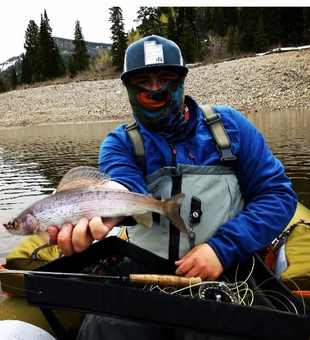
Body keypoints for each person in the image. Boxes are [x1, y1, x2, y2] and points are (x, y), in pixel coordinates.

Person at [47, 35, 297, 338]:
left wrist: (222, 248)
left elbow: (278, 195)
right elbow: (124, 185)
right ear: (128, 89)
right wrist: (104, 208)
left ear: (182, 79)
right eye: (143, 82)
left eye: (165, 78)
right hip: (141, 275)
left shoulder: (230, 127)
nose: (155, 90)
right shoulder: (120, 143)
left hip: (227, 273)